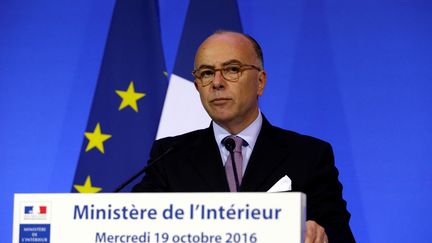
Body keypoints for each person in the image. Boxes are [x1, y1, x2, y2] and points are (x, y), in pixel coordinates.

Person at [133, 31, 355, 243]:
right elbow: (133, 226)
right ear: (197, 86)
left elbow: (340, 236)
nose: (217, 83)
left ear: (260, 82)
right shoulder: (170, 157)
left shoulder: (309, 155)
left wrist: (321, 235)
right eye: (207, 73)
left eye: (232, 69)